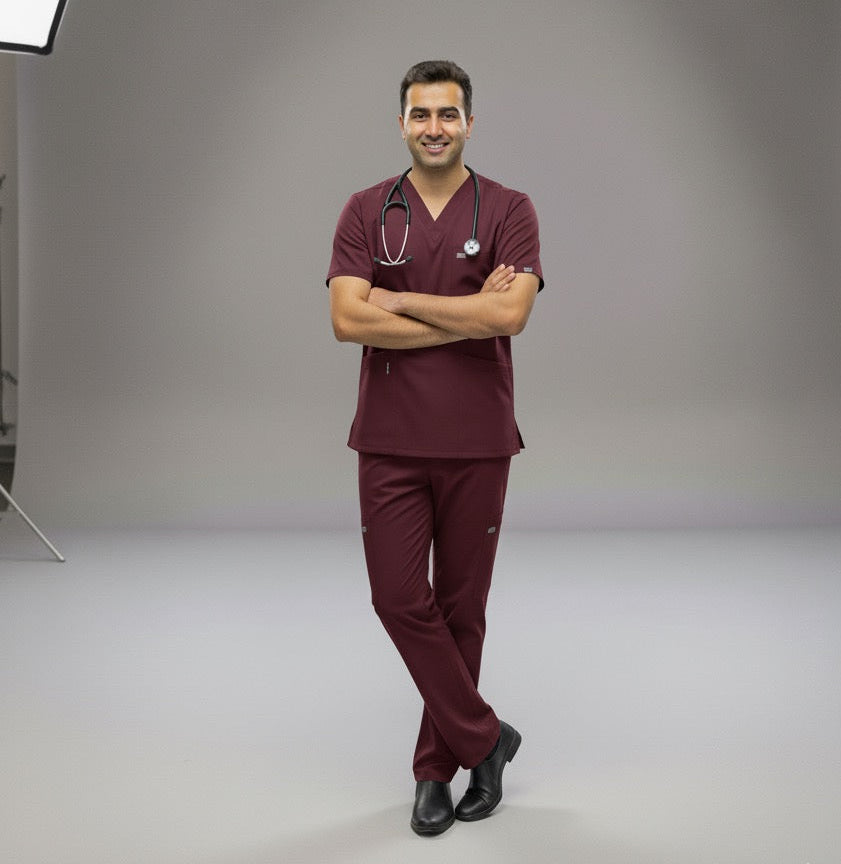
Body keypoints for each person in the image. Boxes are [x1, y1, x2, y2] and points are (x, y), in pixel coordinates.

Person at [326, 60, 543, 836]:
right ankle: (488, 739)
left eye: (448, 115)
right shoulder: (364, 210)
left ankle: (433, 771)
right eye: (421, 115)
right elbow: (348, 321)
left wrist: (401, 298)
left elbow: (508, 317)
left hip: (478, 439)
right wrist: (464, 310)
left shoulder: (511, 208)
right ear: (402, 123)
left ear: (470, 124)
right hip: (388, 438)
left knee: (461, 608)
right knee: (397, 598)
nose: (435, 128)